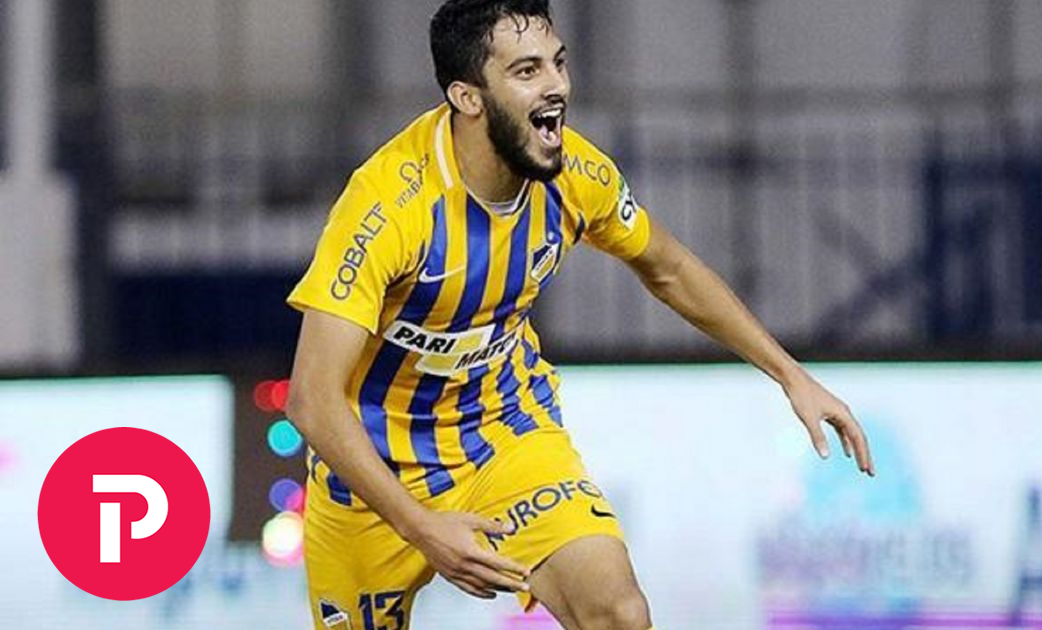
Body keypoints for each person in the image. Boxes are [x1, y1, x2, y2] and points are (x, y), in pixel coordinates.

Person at [285, 1, 874, 628]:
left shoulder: (575, 173)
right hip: (373, 476)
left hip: (502, 436)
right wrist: (421, 526)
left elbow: (669, 268)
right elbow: (312, 401)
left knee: (619, 613)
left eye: (558, 63)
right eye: (527, 71)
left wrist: (790, 374)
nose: (557, 86)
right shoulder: (387, 207)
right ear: (467, 97)